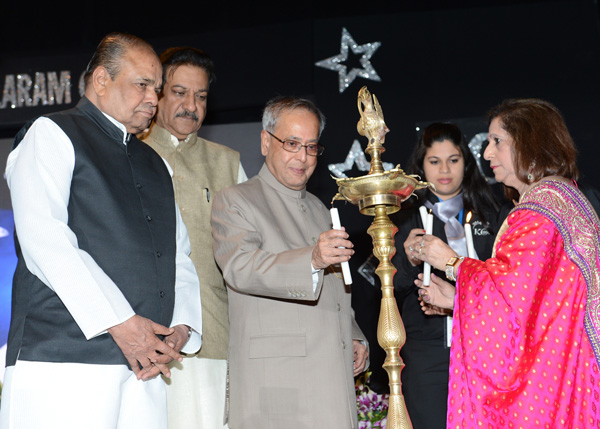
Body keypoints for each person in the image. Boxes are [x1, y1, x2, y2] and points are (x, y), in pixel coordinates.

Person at [0, 32, 202, 428]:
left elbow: (177, 253)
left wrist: (182, 327)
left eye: (157, 89)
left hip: (143, 369)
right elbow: (46, 239)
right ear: (101, 81)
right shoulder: (53, 132)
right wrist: (123, 324)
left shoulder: (156, 163)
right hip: (64, 361)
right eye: (142, 85)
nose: (152, 99)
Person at [411, 98, 600, 428]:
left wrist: (451, 262)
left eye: (497, 142)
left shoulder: (538, 211)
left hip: (552, 380)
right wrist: (457, 300)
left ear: (530, 143)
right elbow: (532, 306)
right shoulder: (562, 197)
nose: (486, 154)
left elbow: (510, 295)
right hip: (568, 368)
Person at [210, 95, 368, 429]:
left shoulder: (319, 208)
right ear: (266, 141)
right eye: (292, 143)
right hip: (278, 380)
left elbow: (337, 284)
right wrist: (311, 258)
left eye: (311, 147)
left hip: (331, 375)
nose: (303, 156)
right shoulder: (235, 200)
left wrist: (353, 334)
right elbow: (241, 267)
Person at [140, 46, 246, 429]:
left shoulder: (227, 162)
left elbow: (248, 250)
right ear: (158, 94)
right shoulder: (128, 152)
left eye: (200, 96)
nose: (191, 105)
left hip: (214, 331)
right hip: (141, 338)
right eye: (180, 92)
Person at [389, 122, 505, 429]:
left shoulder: (493, 214)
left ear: (466, 163)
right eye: (434, 161)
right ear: (421, 165)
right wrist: (409, 257)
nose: (445, 169)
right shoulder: (403, 217)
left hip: (487, 350)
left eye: (453, 160)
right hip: (428, 356)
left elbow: (508, 285)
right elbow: (388, 288)